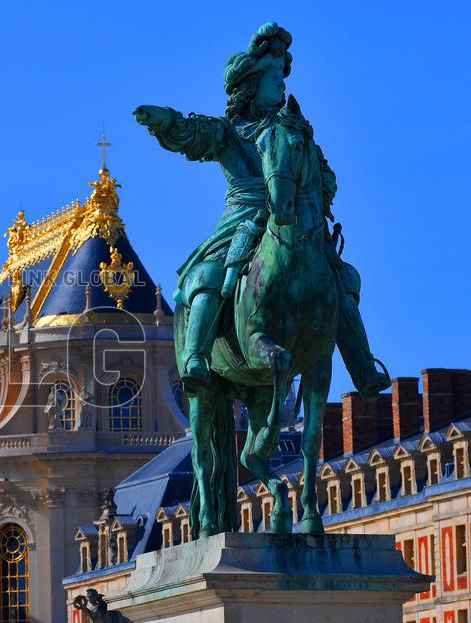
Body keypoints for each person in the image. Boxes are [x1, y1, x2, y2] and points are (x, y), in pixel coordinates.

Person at [134, 21, 389, 397]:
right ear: (251, 84)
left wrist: (316, 193)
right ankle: (196, 357)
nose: (282, 82)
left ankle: (362, 364)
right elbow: (192, 133)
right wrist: (166, 121)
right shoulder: (230, 132)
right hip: (243, 217)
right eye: (273, 74)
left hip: (296, 220)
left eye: (282, 73)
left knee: (342, 280)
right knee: (206, 277)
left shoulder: (295, 134)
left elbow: (326, 176)